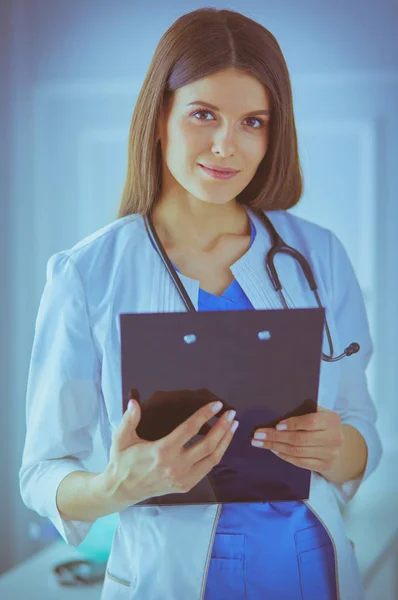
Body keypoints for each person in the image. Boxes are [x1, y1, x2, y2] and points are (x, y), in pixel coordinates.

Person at [19, 7, 382, 600]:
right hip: (171, 580)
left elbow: (363, 431)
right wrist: (117, 485)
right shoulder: (87, 274)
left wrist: (338, 448)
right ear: (160, 117)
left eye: (253, 122)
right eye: (203, 114)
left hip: (308, 569)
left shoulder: (318, 255)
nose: (226, 145)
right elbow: (40, 474)